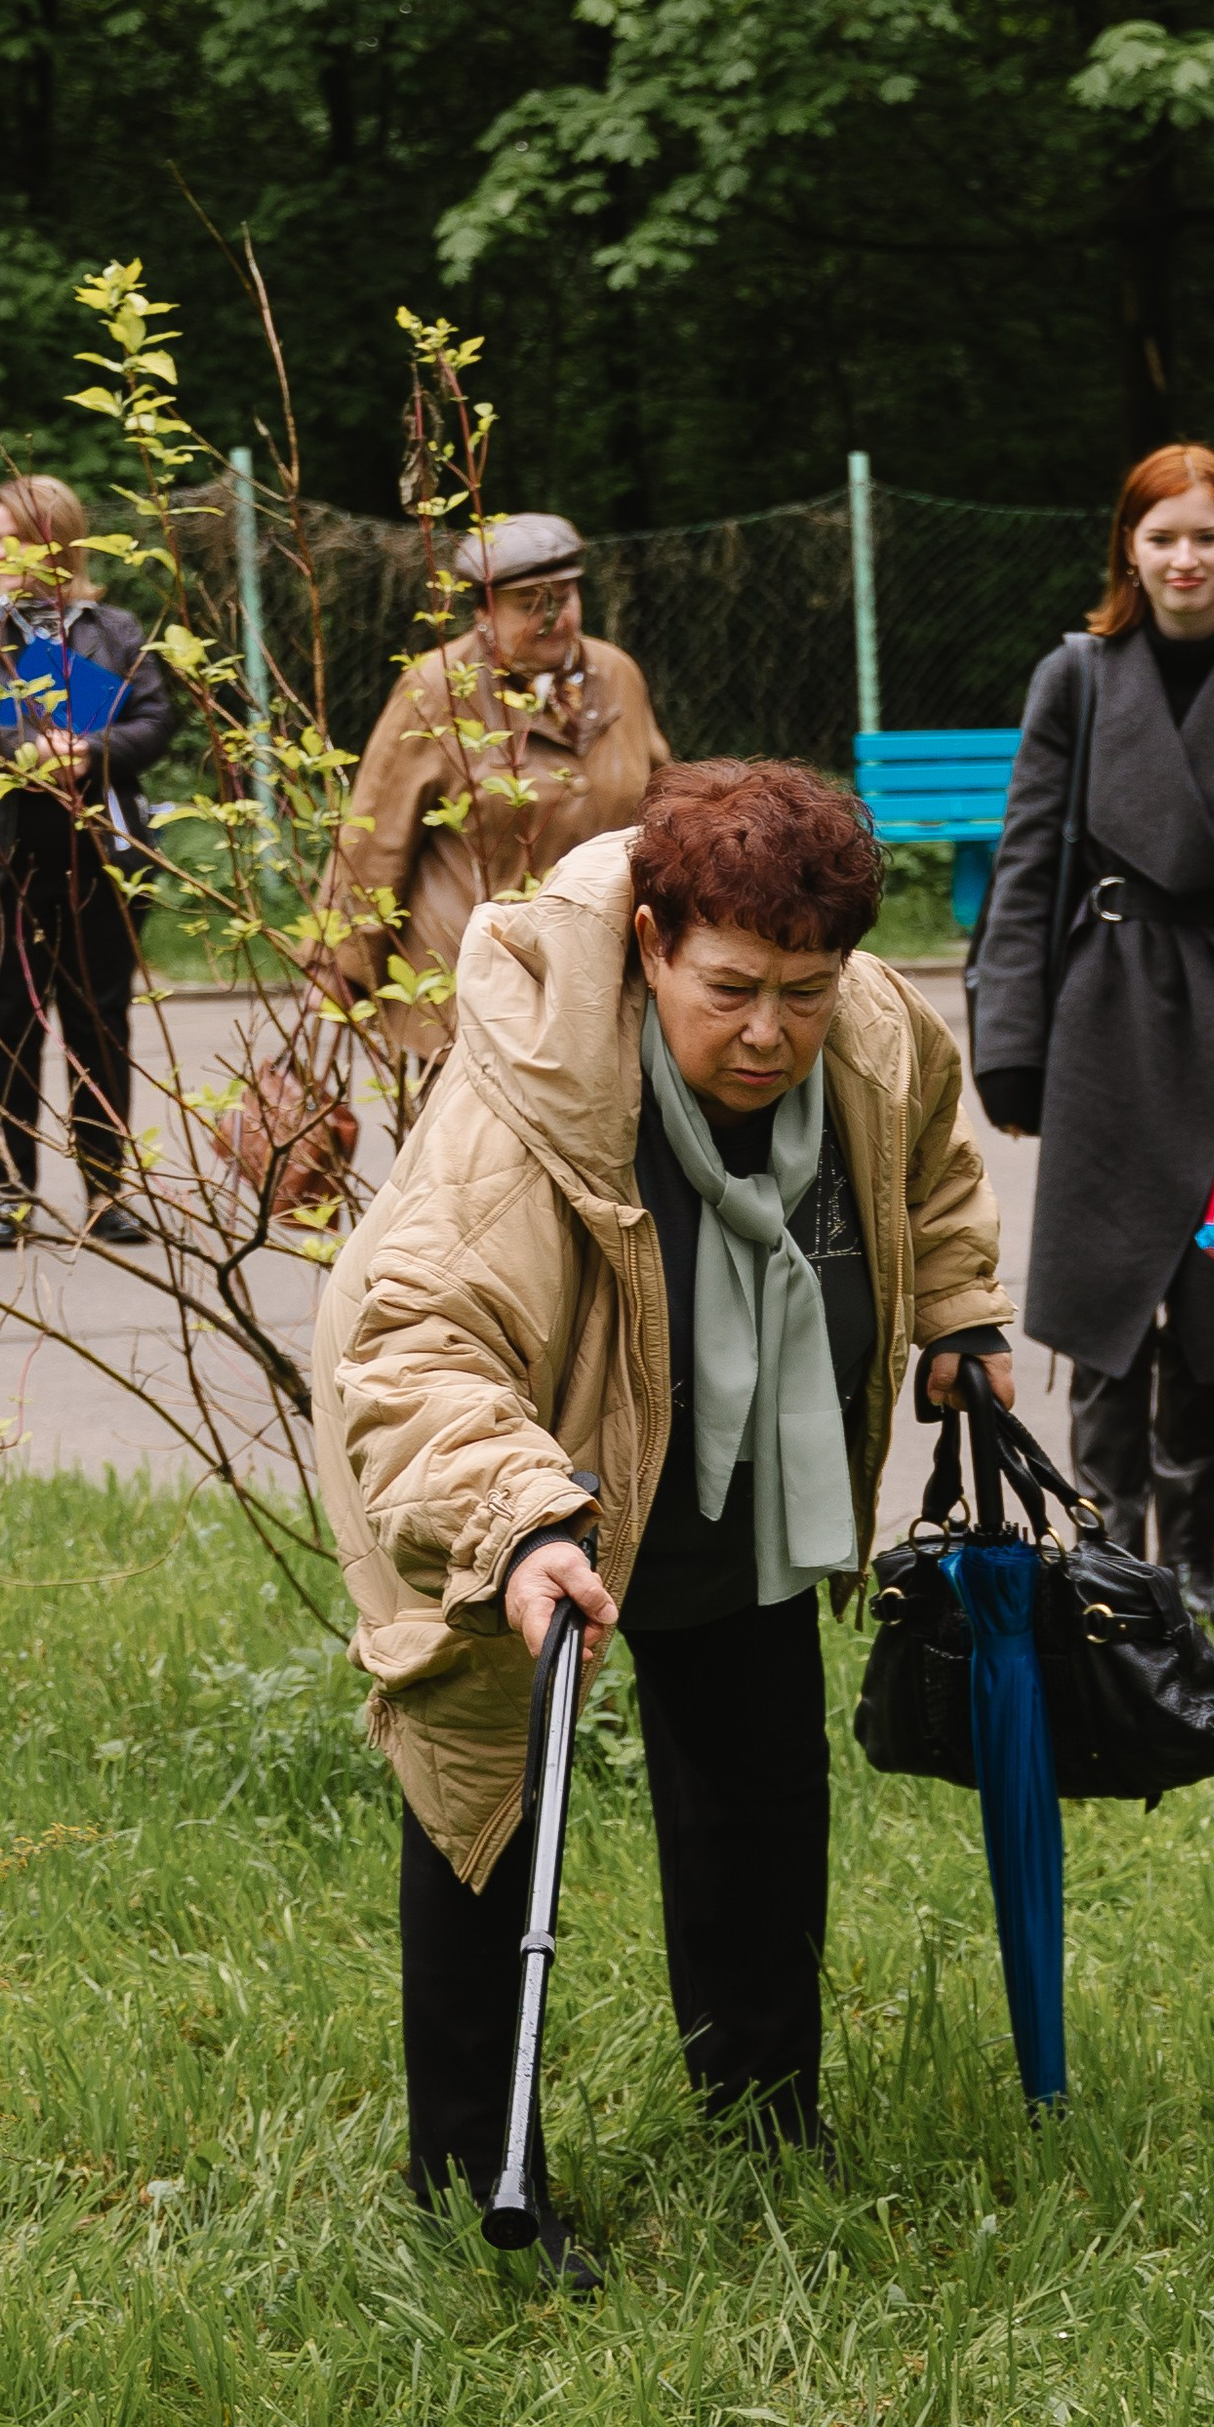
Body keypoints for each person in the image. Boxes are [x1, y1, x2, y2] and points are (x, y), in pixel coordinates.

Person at [313, 758, 1014, 2281]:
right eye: (732, 989)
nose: (771, 1032)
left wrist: (957, 1310)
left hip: (749, 1480)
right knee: (490, 1801)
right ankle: (474, 2177)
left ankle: (764, 2107)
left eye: (805, 992)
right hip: (521, 1488)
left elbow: (935, 1167)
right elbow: (414, 1342)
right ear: (648, 944)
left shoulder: (874, 1032)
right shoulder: (535, 1091)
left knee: (760, 1786)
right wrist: (513, 1522)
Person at [969, 443, 1214, 1626]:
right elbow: (1029, 859)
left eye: (1206, 535)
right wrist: (1010, 1037)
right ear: (1127, 549)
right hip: (1110, 1006)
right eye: (1161, 536)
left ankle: (1193, 1561)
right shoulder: (1077, 676)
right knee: (1106, 1287)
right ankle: (1103, 1557)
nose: (1184, 558)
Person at [304, 512, 670, 1069]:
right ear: (483, 612)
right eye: (529, 604)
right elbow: (377, 836)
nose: (554, 619)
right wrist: (339, 967)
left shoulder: (618, 674)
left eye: (564, 597)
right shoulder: (438, 689)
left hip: (603, 979)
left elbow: (664, 805)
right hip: (467, 988)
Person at [0, 473, 173, 1249]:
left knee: (100, 1026)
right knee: (7, 1027)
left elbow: (156, 719)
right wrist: (28, 751)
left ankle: (107, 1194)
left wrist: (91, 750)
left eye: (11, 538)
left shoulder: (116, 631)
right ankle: (10, 1196)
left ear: (56, 545)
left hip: (96, 863)